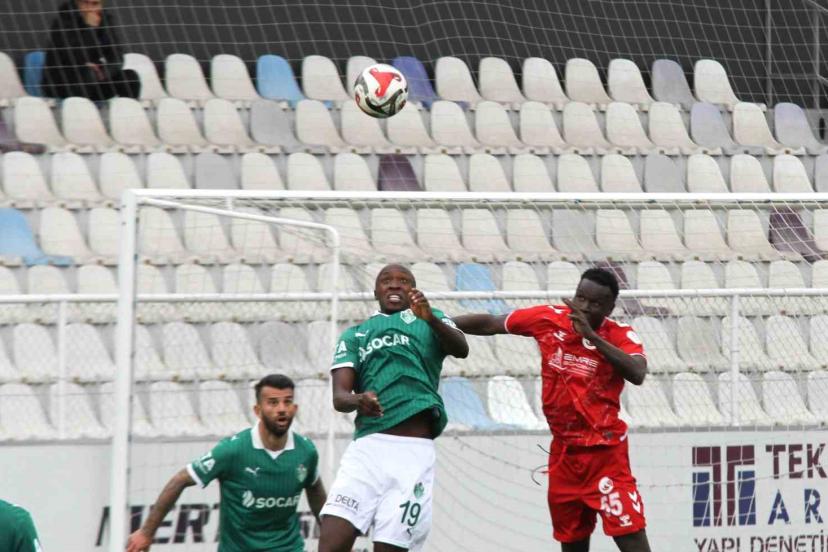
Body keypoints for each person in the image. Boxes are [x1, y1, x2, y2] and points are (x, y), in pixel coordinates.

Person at [453, 268, 652, 552]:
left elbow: (637, 372)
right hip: (564, 457)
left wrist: (592, 338)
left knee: (632, 540)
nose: (584, 307)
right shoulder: (549, 319)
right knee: (571, 543)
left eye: (595, 303)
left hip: (605, 456)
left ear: (609, 308)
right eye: (580, 298)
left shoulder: (619, 334)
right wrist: (438, 322)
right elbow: (492, 323)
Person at [318, 264, 469, 552]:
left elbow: (461, 348)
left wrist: (431, 319)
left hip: (413, 455)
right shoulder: (355, 334)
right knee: (331, 544)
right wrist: (359, 400)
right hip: (367, 451)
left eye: (404, 281)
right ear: (376, 291)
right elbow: (339, 397)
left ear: (414, 291)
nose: (394, 285)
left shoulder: (431, 319)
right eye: (386, 280)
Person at [126, 374, 326, 552]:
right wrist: (146, 532)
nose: (281, 409)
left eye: (287, 402)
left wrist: (333, 539)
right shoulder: (233, 450)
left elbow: (315, 490)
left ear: (295, 408)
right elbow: (180, 480)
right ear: (257, 410)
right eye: (273, 403)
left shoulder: (306, 451)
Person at [42, 0, 140, 100]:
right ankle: (79, 109)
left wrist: (103, 72)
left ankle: (128, 109)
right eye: (85, 3)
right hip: (61, 82)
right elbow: (73, 57)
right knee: (87, 73)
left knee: (130, 77)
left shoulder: (105, 20)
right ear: (77, 3)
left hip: (92, 80)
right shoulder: (62, 21)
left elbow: (117, 56)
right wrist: (90, 28)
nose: (89, 9)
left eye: (95, 4)